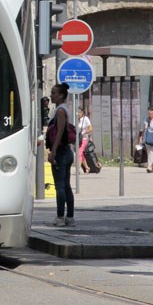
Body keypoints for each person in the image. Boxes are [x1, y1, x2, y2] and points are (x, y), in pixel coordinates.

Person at [46, 83, 75, 227]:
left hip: (61, 153)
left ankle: (60, 217)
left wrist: (54, 151)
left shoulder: (60, 111)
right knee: (67, 185)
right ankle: (70, 217)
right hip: (67, 151)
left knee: (60, 186)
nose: (51, 95)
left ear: (61, 95)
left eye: (53, 93)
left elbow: (60, 132)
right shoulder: (64, 109)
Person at [77, 107, 93, 173]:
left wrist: (83, 132)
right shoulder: (78, 120)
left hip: (84, 139)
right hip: (79, 139)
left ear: (82, 112)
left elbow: (91, 129)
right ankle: (87, 167)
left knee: (79, 153)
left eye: (79, 112)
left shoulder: (85, 119)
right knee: (81, 154)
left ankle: (78, 169)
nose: (78, 114)